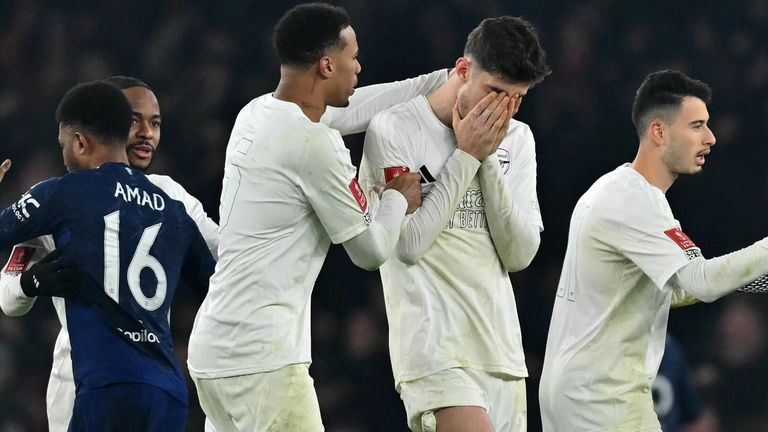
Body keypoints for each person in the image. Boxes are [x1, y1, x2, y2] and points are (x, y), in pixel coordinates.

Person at [186, 2, 453, 430]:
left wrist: (439, 81)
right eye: (353, 58)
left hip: (212, 353)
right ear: (327, 66)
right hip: (265, 361)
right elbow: (370, 251)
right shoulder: (314, 145)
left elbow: (355, 108)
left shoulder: (255, 113)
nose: (360, 67)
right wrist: (398, 198)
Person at [538, 70, 768, 431]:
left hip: (577, 391)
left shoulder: (613, 188)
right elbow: (700, 281)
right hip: (604, 397)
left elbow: (671, 288)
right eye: (696, 126)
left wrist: (751, 279)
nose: (710, 137)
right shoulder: (635, 201)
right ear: (658, 132)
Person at [358, 16, 550, 432]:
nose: (503, 109)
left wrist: (484, 158)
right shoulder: (395, 128)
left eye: (517, 99)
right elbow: (405, 245)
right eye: (495, 92)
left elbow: (519, 255)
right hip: (434, 347)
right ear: (463, 70)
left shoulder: (518, 139)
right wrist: (464, 158)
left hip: (501, 350)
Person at [0, 76, 219, 431]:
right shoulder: (60, 199)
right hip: (93, 379)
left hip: (111, 382)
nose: (146, 132)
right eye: (134, 120)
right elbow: (8, 294)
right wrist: (28, 283)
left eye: (156, 123)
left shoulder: (166, 195)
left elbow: (229, 262)